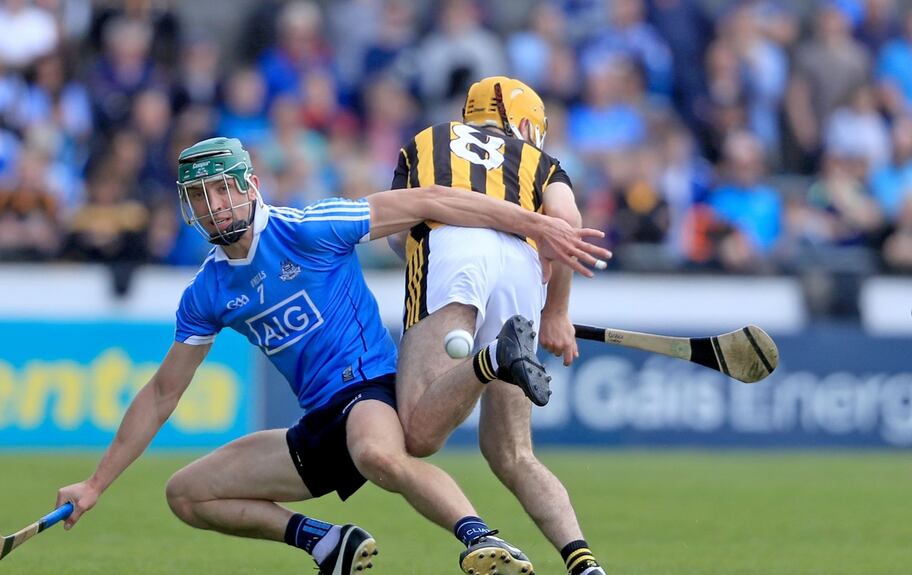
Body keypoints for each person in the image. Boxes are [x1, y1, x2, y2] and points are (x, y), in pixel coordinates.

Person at [55, 137, 610, 575]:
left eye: (223, 189)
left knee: (380, 453)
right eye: (201, 196)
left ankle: (480, 540)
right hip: (320, 419)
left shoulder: (308, 229)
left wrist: (535, 224)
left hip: (370, 389)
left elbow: (429, 201)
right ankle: (326, 543)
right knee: (187, 494)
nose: (215, 205)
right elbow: (161, 394)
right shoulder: (207, 291)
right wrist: (96, 484)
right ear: (188, 206)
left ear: (250, 186)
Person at [388, 76, 612, 575]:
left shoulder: (427, 140)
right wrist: (556, 311)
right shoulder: (542, 163)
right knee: (513, 451)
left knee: (419, 434)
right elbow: (564, 226)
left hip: (451, 246)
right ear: (527, 123)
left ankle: (490, 359)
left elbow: (397, 231)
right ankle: (584, 563)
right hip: (522, 264)